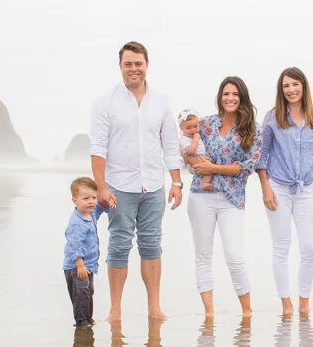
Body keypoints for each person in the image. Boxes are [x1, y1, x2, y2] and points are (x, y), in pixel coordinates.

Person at [89, 41, 184, 322]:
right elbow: (98, 148)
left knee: (152, 244)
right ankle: (115, 309)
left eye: (138, 63)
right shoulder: (105, 101)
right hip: (119, 186)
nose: (134, 69)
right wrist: (102, 188)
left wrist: (176, 183)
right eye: (128, 64)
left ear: (147, 65)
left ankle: (154, 307)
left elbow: (170, 144)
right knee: (119, 244)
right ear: (120, 66)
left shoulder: (162, 101)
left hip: (154, 185)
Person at [182, 76, 262, 318]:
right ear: (220, 97)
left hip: (232, 199)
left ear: (242, 98)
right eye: (226, 94)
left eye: (235, 94)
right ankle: (209, 314)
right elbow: (182, 149)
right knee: (203, 255)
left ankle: (247, 312)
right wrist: (198, 163)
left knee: (235, 256)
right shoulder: (205, 124)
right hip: (201, 195)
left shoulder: (253, 129)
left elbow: (248, 166)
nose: (230, 98)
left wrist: (214, 169)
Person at [256, 67, 313, 317]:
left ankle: (304, 300)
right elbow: (262, 156)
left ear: (304, 87)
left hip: (307, 189)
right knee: (282, 246)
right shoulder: (272, 117)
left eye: (295, 84)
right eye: (286, 86)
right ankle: (286, 304)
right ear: (281, 90)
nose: (291, 90)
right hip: (278, 187)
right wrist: (265, 188)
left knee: (310, 247)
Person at [63, 177, 107, 328]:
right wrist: (80, 265)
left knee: (88, 292)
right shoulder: (76, 223)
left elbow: (100, 208)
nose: (91, 201)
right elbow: (74, 245)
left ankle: (88, 318)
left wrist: (109, 201)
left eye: (94, 197)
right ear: (74, 201)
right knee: (80, 294)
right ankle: (81, 321)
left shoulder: (91, 213)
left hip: (88, 265)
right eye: (86, 198)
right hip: (77, 266)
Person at [177, 109, 214, 191]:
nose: (193, 130)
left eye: (195, 126)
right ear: (181, 128)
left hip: (201, 157)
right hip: (193, 163)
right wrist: (196, 140)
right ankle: (205, 183)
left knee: (210, 166)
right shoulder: (184, 139)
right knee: (208, 169)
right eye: (189, 128)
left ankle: (206, 183)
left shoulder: (193, 135)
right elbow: (190, 151)